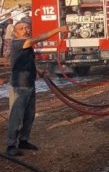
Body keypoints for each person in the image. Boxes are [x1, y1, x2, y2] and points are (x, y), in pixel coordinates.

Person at [5, 21, 68, 156]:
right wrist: (58, 30)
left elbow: (26, 61)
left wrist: (38, 70)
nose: (25, 30)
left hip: (29, 84)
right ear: (15, 33)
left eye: (27, 27)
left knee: (29, 115)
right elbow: (39, 38)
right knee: (17, 116)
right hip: (19, 86)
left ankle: (23, 140)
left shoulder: (26, 45)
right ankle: (11, 145)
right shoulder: (18, 43)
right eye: (21, 29)